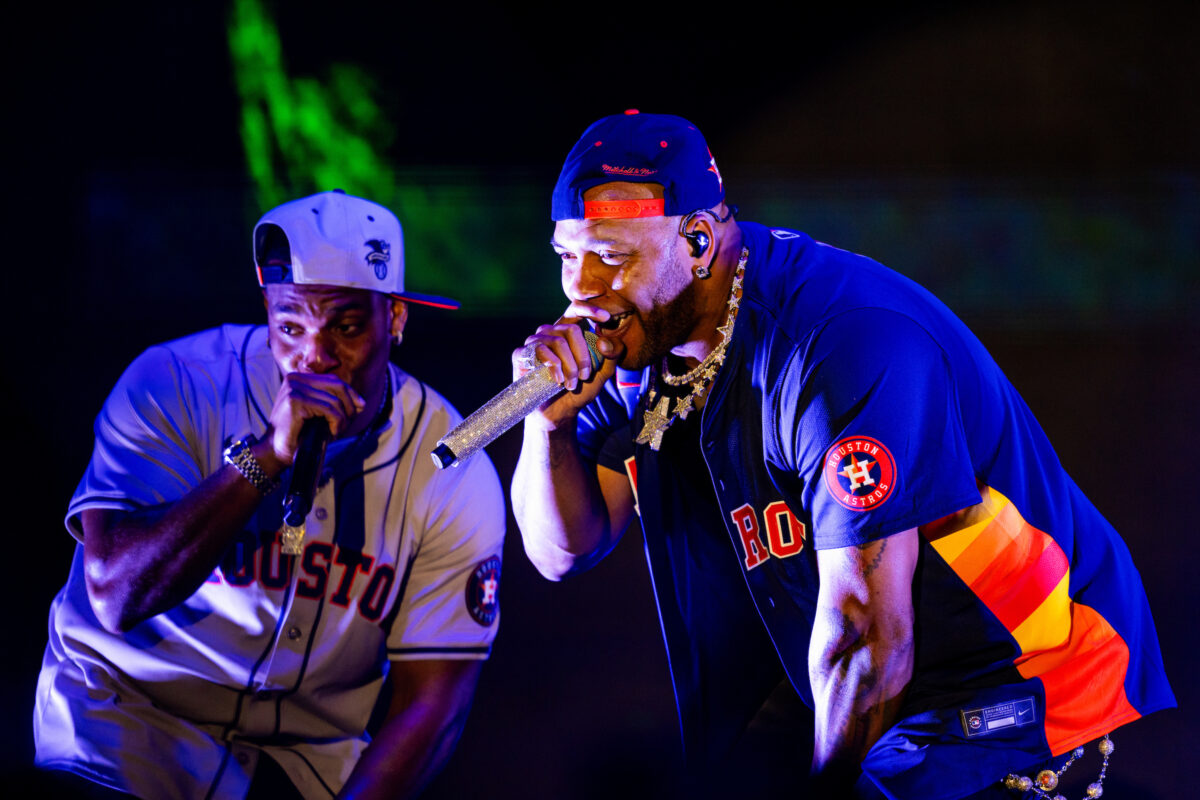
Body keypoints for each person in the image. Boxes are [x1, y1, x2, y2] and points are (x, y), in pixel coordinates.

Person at [510, 111, 1174, 799]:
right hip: (867, 683)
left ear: (699, 240)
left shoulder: (837, 344)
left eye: (611, 256)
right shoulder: (642, 341)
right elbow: (561, 552)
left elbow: (867, 636)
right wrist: (547, 426)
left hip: (1015, 677)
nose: (581, 287)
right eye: (567, 256)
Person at [34, 190, 505, 800]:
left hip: (298, 764)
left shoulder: (451, 460)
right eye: (289, 326)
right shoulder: (175, 381)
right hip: (124, 728)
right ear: (266, 310)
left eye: (346, 327)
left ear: (395, 318)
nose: (315, 357)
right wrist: (264, 459)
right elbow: (114, 593)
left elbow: (432, 703)